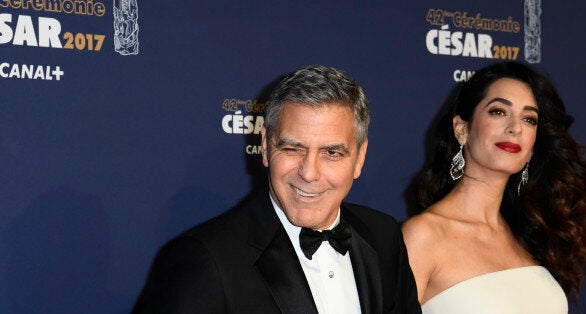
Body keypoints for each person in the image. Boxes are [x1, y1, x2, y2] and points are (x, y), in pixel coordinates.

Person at [133, 65, 421, 313]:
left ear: (360, 158)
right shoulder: (206, 262)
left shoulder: (384, 238)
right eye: (293, 148)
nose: (309, 173)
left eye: (332, 153)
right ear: (267, 147)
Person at [402, 61, 586, 313]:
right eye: (498, 111)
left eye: (529, 119)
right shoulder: (423, 236)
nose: (515, 128)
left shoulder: (531, 233)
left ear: (533, 146)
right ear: (462, 129)